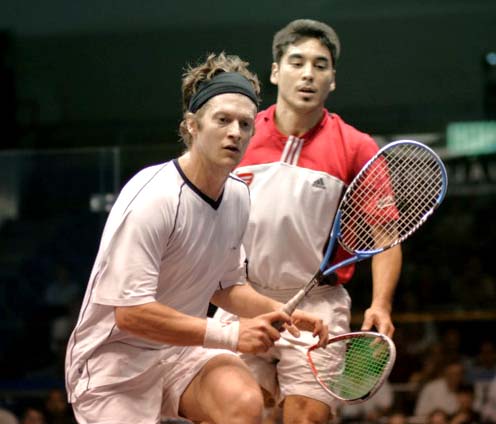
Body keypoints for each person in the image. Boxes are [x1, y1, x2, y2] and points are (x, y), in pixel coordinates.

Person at [64, 52, 328, 424]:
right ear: (192, 125)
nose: (235, 132)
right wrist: (230, 334)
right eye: (223, 120)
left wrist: (285, 313)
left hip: (179, 352)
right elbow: (131, 314)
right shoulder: (154, 198)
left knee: (242, 400)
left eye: (245, 124)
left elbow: (225, 286)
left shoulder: (237, 195)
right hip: (114, 362)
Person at [214, 18, 403, 423]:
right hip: (241, 296)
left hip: (317, 304)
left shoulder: (356, 147)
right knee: (234, 411)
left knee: (306, 417)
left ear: (332, 79)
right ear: (275, 71)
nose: (308, 74)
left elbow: (385, 235)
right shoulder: (240, 134)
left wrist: (381, 304)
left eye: (320, 65)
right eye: (297, 62)